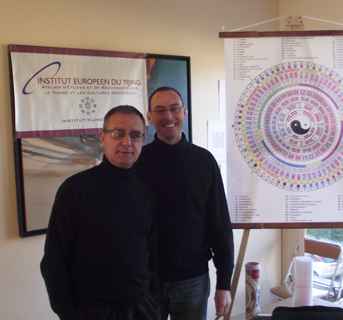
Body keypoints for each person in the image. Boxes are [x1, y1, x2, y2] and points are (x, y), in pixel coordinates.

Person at [40, 105, 159, 320]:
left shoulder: (146, 192)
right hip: (92, 312)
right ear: (102, 137)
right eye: (118, 133)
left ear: (143, 139)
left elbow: (153, 255)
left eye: (135, 135)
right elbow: (53, 261)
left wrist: (154, 301)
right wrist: (69, 314)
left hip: (141, 309)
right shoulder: (75, 189)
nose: (127, 142)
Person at [134, 87, 234, 320]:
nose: (168, 116)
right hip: (147, 280)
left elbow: (219, 225)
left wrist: (224, 283)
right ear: (149, 117)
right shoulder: (137, 162)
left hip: (193, 280)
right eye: (159, 110)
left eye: (174, 108)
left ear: (184, 112)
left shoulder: (204, 162)